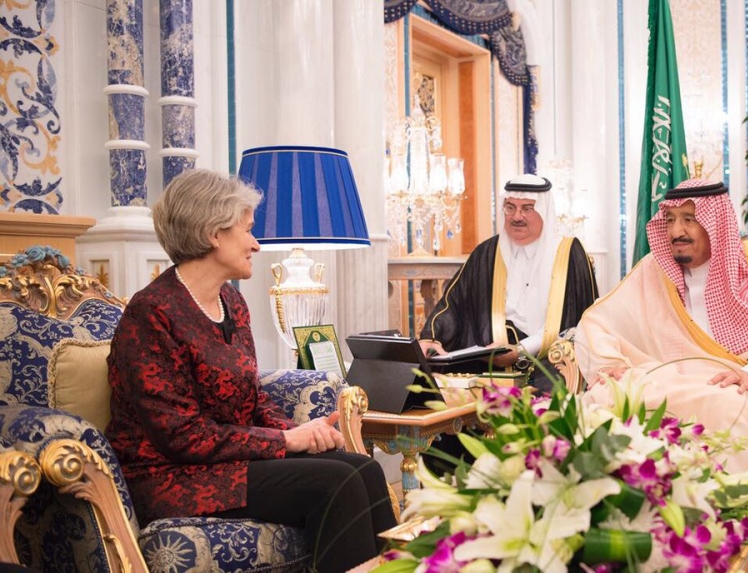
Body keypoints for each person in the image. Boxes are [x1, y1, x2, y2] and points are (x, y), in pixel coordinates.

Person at [104, 169, 396, 572]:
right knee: (338, 483)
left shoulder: (232, 302)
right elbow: (180, 436)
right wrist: (284, 440)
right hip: (169, 476)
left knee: (364, 470)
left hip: (226, 462)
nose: (256, 244)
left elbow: (253, 399)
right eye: (248, 230)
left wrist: (307, 434)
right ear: (214, 234)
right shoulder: (151, 313)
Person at [575, 178, 748, 563]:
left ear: (715, 222)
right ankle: (630, 537)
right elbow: (597, 322)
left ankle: (726, 547)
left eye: (689, 219)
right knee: (604, 398)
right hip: (674, 378)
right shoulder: (655, 269)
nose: (676, 231)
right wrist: (609, 363)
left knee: (726, 408)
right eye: (670, 219)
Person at [419, 173, 598, 392]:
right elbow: (454, 302)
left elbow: (577, 321)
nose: (517, 217)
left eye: (527, 209)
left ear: (544, 211)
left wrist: (520, 351)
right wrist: (432, 337)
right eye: (510, 207)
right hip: (489, 364)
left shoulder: (568, 254)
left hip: (549, 364)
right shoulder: (487, 253)